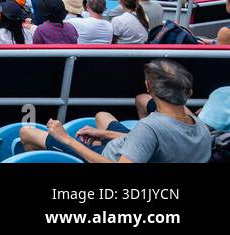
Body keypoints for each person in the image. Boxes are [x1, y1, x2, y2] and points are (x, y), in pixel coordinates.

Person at [21, 60, 211, 162]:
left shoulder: (150, 128)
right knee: (102, 116)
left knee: (27, 132)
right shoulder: (200, 126)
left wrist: (66, 139)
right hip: (137, 148)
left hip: (105, 157)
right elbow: (150, 142)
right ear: (189, 92)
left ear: (148, 87)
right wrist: (103, 133)